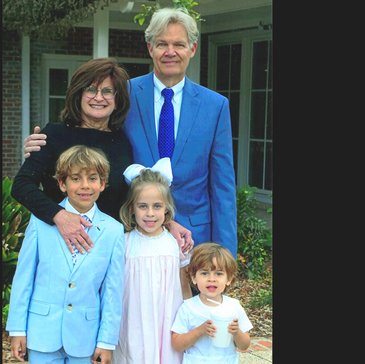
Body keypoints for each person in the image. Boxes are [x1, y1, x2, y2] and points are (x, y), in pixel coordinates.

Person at [23, 7, 237, 258]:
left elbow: (223, 185)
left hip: (194, 237)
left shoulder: (215, 106)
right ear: (150, 48)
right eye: (161, 44)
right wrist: (42, 145)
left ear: (192, 48)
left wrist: (225, 254)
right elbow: (87, 132)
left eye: (178, 44)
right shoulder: (121, 94)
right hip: (131, 234)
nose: (170, 52)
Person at [13, 57, 193, 258]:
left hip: (107, 250)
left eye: (107, 91)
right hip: (57, 242)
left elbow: (132, 196)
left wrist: (167, 222)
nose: (98, 97)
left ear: (118, 100)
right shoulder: (54, 134)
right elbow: (21, 185)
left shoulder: (123, 142)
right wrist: (59, 216)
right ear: (79, 94)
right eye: (91, 89)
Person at [6, 145, 125, 364]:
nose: (85, 186)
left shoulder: (114, 230)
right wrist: (17, 329)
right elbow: (23, 278)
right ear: (62, 183)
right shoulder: (40, 222)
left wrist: (106, 342)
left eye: (92, 178)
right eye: (76, 178)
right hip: (42, 333)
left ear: (103, 184)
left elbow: (112, 291)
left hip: (85, 337)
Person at [112, 158, 190, 364]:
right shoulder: (124, 243)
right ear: (132, 209)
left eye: (157, 206)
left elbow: (184, 285)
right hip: (133, 320)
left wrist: (191, 318)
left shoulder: (175, 244)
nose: (150, 213)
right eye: (143, 206)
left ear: (166, 209)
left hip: (168, 318)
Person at [171, 242, 252, 364]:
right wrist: (200, 331)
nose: (211, 279)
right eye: (204, 273)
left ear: (228, 279)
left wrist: (236, 333)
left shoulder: (233, 306)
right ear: (194, 278)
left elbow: (244, 345)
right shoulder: (188, 307)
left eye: (219, 273)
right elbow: (176, 344)